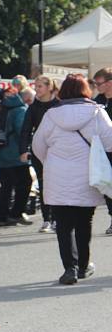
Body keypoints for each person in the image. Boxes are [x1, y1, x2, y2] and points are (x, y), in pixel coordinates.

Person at [33, 73, 112, 285]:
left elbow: (38, 145)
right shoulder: (97, 113)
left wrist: (49, 162)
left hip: (57, 176)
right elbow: (110, 142)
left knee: (63, 225)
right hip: (87, 174)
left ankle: (70, 268)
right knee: (84, 223)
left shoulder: (51, 115)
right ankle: (84, 266)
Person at [19, 75, 59, 233]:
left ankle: (57, 218)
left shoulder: (58, 105)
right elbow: (25, 131)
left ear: (49, 87)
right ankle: (46, 219)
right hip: (39, 152)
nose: (36, 89)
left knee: (56, 184)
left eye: (40, 86)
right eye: (35, 86)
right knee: (43, 185)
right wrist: (23, 150)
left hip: (57, 151)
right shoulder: (33, 108)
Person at [0, 87, 33, 227]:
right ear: (26, 98)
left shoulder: (4, 107)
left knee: (5, 186)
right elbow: (22, 131)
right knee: (25, 183)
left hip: (1, 153)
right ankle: (16, 213)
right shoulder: (21, 110)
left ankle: (3, 217)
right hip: (15, 155)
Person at [92, 67, 112, 235]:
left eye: (98, 83)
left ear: (110, 83)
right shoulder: (97, 101)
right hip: (104, 152)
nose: (96, 86)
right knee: (108, 185)